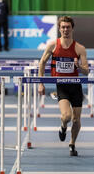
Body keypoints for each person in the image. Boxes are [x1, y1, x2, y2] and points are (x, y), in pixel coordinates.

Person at [38, 16, 89, 156]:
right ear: (59, 29)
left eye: (68, 27)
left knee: (76, 119)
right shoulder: (53, 45)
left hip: (76, 87)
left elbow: (87, 71)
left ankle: (72, 143)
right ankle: (63, 126)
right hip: (61, 86)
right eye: (63, 27)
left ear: (72, 28)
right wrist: (40, 83)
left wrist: (78, 66)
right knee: (66, 116)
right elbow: (42, 63)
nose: (66, 29)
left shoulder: (80, 48)